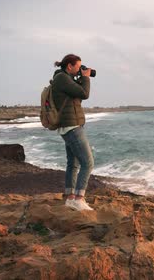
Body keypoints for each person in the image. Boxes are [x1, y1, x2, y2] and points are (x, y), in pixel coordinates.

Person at [52, 54, 95, 211]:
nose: (80, 69)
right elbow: (85, 94)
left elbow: (77, 97)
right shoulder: (62, 79)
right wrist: (86, 78)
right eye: (78, 67)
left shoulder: (64, 79)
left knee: (74, 163)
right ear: (69, 66)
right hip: (72, 126)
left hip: (69, 126)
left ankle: (70, 197)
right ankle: (79, 198)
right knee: (88, 163)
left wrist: (80, 78)